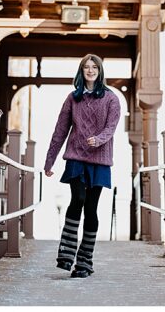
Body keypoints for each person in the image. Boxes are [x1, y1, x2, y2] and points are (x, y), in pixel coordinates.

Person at [44, 54, 121, 279]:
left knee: (91, 208)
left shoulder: (111, 98)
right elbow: (60, 130)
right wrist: (50, 160)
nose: (90, 70)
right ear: (81, 71)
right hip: (76, 157)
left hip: (99, 160)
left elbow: (111, 127)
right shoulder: (72, 98)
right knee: (77, 199)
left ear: (99, 70)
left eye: (94, 67)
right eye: (86, 67)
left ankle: (84, 262)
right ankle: (67, 255)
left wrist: (98, 139)